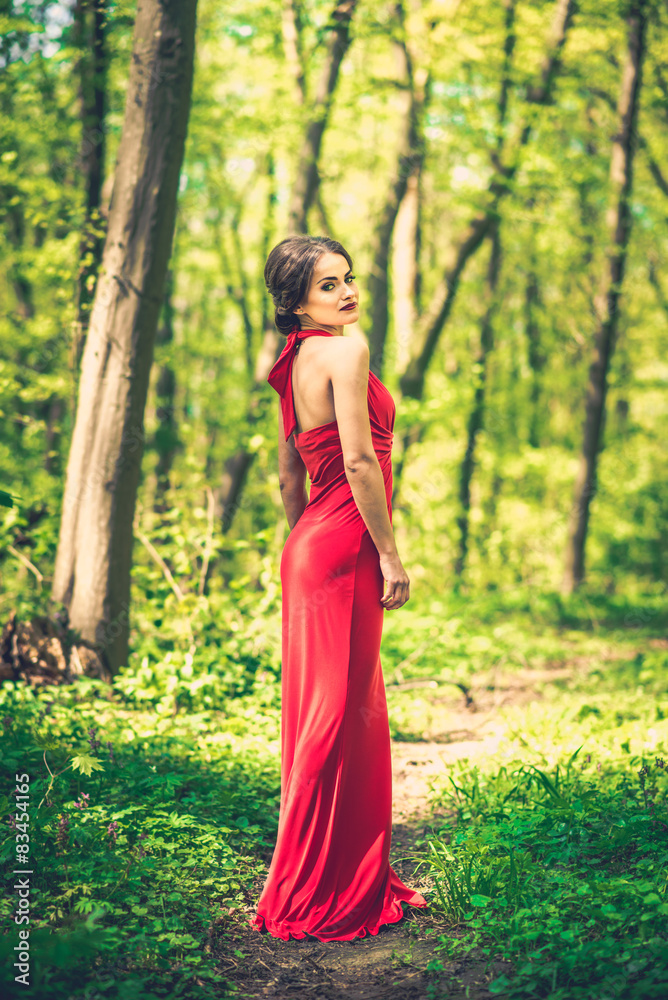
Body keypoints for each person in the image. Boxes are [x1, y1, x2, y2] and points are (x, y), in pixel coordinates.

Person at [250, 234, 427, 942]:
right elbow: (358, 460)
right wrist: (389, 556)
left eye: (347, 279)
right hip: (347, 542)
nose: (347, 292)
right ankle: (305, 887)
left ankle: (330, 871)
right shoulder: (346, 353)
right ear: (295, 301)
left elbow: (292, 473)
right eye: (328, 285)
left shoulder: (292, 362)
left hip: (311, 545)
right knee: (338, 714)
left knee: (327, 710)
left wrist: (305, 540)